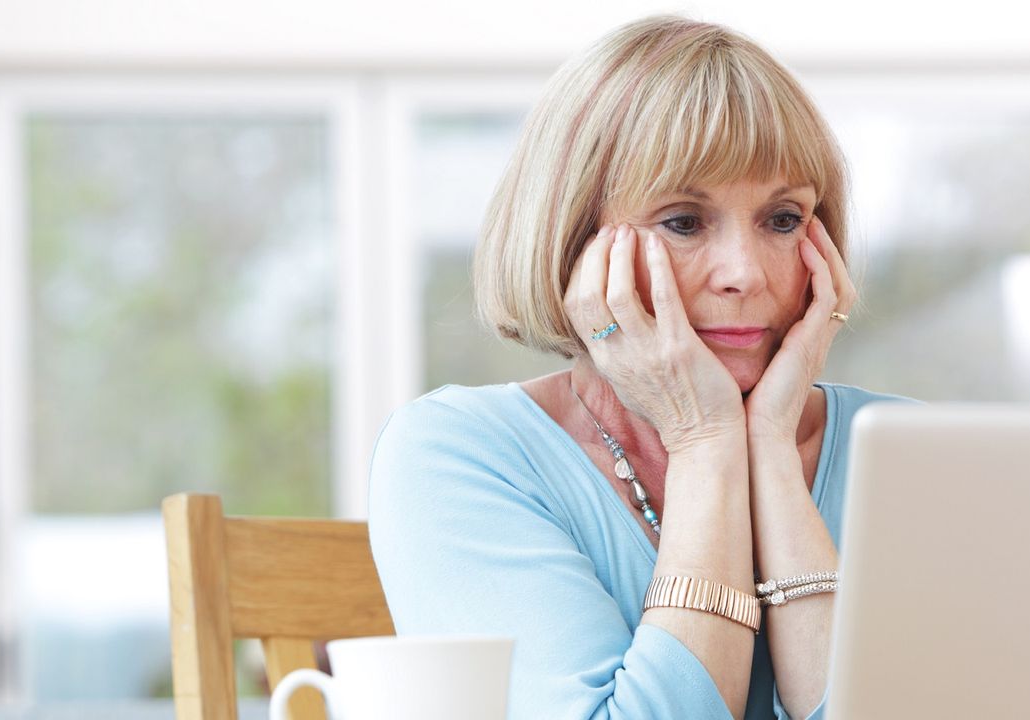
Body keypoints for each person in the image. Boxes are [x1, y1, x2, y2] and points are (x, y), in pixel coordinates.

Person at [369, 14, 913, 720]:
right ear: (573, 241)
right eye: (684, 222)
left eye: (782, 219)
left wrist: (769, 449)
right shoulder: (454, 453)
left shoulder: (899, 449)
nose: (744, 273)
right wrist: (704, 439)